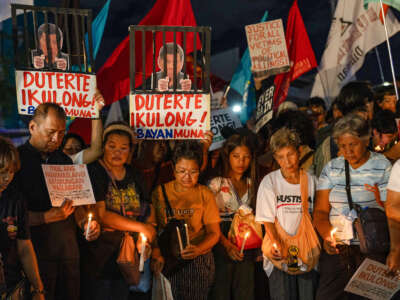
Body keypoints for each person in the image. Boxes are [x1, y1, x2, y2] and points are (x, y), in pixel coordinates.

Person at [15, 102, 101, 300]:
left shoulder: (63, 160)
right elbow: (11, 216)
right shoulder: (17, 161)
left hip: (68, 253)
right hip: (34, 257)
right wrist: (45, 217)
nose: (56, 139)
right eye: (51, 132)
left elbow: (75, 204)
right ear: (32, 127)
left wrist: (86, 224)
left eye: (62, 133)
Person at [313, 114, 392, 300]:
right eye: (342, 146)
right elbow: (321, 212)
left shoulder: (382, 166)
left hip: (372, 251)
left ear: (366, 140)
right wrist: (327, 236)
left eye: (353, 144)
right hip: (339, 250)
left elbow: (392, 211)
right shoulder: (332, 168)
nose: (348, 151)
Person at [80, 122, 156, 300]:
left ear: (130, 151)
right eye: (112, 146)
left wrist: (148, 237)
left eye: (123, 148)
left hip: (130, 256)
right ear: (103, 147)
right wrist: (141, 228)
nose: (117, 152)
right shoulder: (95, 172)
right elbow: (102, 215)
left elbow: (148, 209)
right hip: (101, 257)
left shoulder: (135, 174)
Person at [149, 141, 221, 300]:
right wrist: (155, 252)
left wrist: (198, 249)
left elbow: (214, 233)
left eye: (193, 172)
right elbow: (151, 228)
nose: (187, 177)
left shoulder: (205, 194)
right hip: (168, 258)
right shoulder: (160, 192)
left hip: (198, 260)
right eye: (182, 171)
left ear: (199, 170)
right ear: (173, 169)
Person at [256, 127, 318, 300]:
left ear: (299, 152)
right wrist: (276, 243)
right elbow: (267, 220)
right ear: (275, 158)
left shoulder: (311, 181)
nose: (287, 161)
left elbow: (317, 215)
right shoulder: (270, 182)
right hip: (280, 254)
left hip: (306, 251)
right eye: (281, 157)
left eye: (290, 154)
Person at [208, 133, 258, 300]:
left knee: (245, 288)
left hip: (246, 239)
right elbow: (208, 220)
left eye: (246, 157)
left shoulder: (253, 184)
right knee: (221, 289)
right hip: (221, 237)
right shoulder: (216, 184)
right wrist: (226, 244)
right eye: (236, 156)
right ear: (227, 156)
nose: (241, 162)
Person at [0, 137, 45, 300]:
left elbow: (24, 246)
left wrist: (38, 289)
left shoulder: (15, 200)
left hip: (12, 285)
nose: (7, 178)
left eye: (11, 172)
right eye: (2, 172)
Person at [62, 90, 105, 164]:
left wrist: (96, 111)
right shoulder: (52, 158)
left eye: (78, 150)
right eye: (68, 149)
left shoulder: (73, 161)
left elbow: (96, 150)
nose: (74, 152)